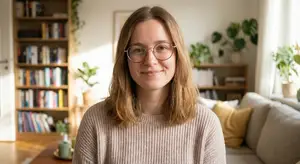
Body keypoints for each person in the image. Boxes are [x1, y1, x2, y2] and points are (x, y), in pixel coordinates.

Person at [73, 5, 226, 164]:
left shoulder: (206, 124)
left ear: (177, 55)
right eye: (138, 50)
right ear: (125, 59)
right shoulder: (95, 120)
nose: (150, 61)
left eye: (161, 47)